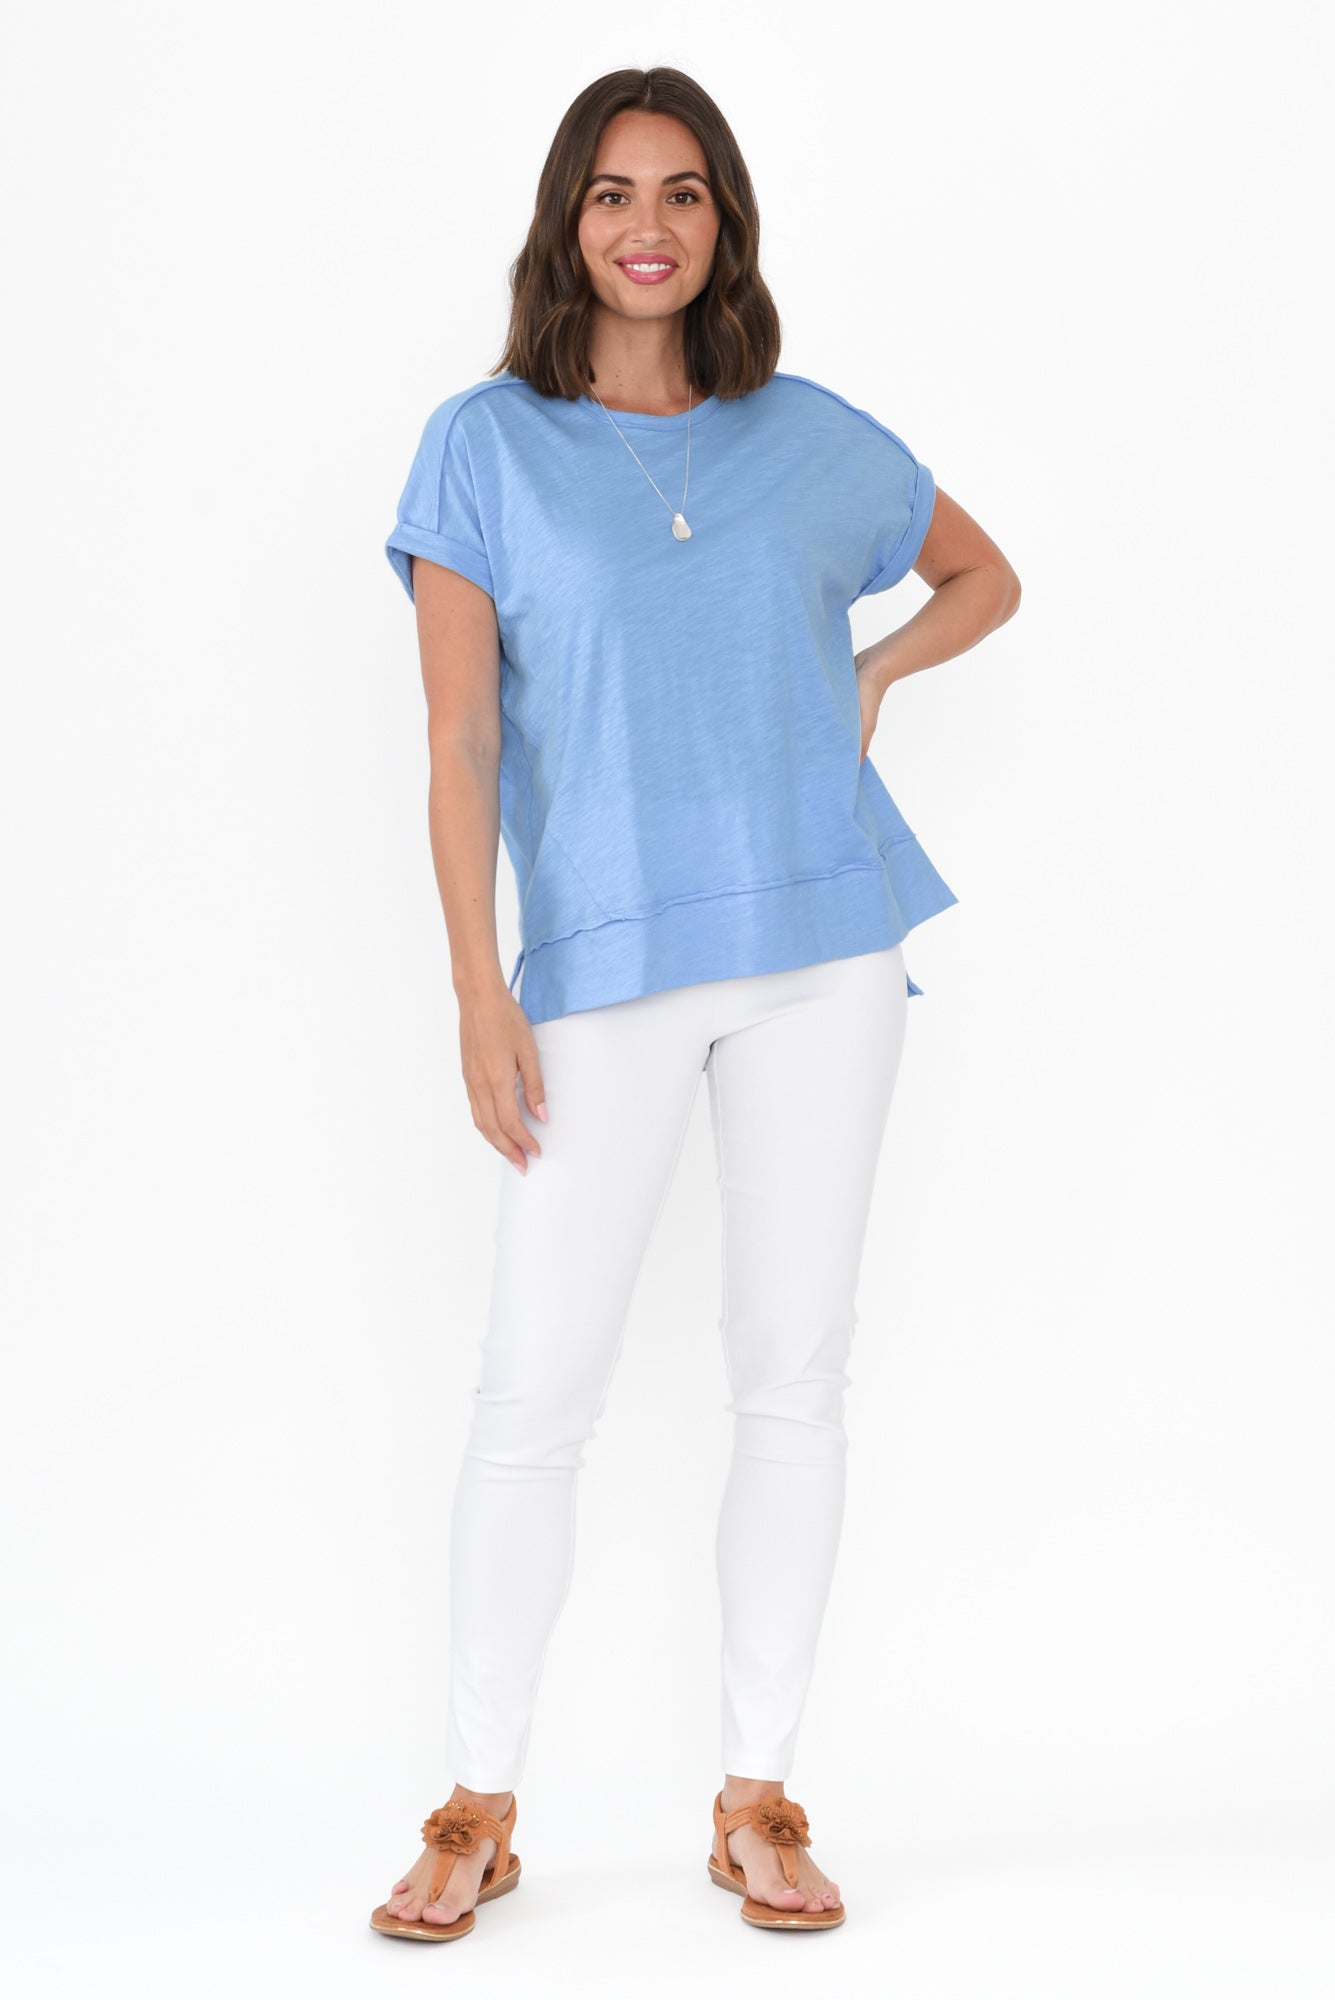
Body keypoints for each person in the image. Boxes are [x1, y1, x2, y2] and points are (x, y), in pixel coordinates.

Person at [369, 65, 1020, 1944]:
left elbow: (983, 575)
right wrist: (478, 986)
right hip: (599, 966)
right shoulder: (484, 447)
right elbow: (460, 738)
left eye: (681, 192)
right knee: (535, 1389)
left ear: (723, 221)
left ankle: (757, 1798)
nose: (645, 226)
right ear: (564, 224)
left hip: (826, 947)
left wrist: (875, 677)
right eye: (609, 193)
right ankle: (476, 1806)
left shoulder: (805, 436)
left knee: (792, 1372)